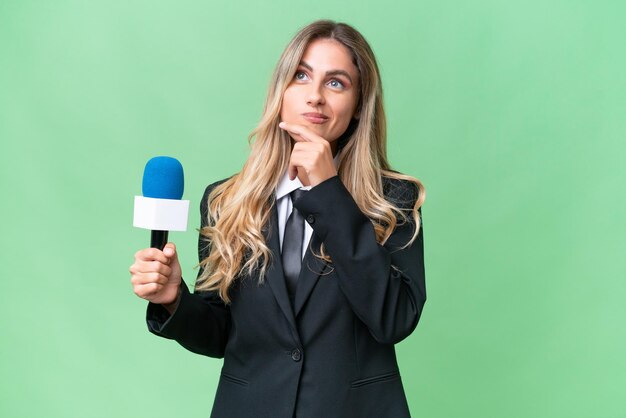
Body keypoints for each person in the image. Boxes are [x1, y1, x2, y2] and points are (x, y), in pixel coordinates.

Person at [129, 20, 426, 418]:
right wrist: (174, 300)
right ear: (281, 91)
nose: (315, 96)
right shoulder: (226, 200)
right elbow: (222, 334)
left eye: (336, 83)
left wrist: (327, 192)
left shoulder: (393, 200)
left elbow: (394, 319)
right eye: (301, 76)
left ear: (357, 108)